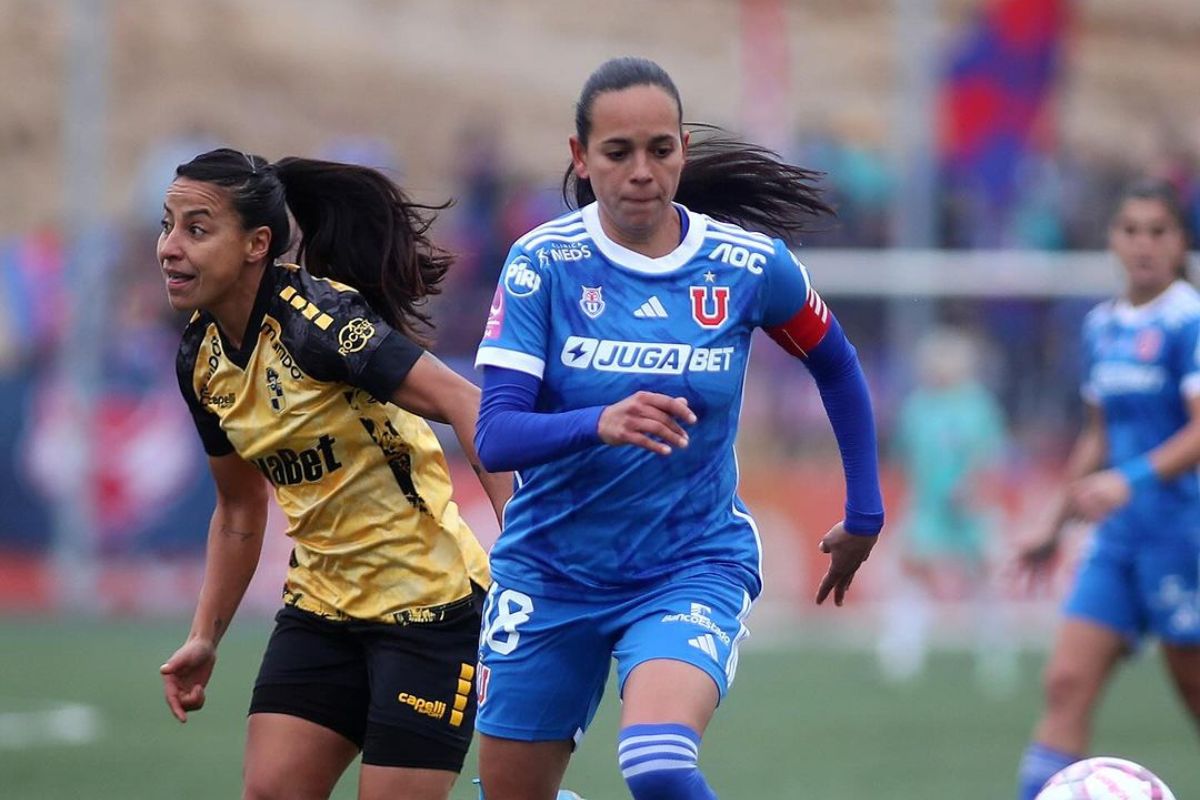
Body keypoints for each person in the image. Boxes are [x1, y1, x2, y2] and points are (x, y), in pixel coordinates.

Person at [471, 57, 884, 800]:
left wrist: (864, 513)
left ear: (683, 150)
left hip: (686, 565)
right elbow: (496, 435)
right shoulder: (543, 264)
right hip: (549, 571)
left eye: (660, 149)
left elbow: (838, 365)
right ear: (580, 157)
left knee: (658, 764)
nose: (641, 171)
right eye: (618, 152)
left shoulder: (748, 266)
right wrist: (599, 422)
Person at [156, 148, 510, 800]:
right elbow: (239, 510)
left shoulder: (320, 322)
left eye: (196, 229)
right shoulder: (200, 360)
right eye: (167, 225)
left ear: (257, 243)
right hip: (321, 610)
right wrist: (204, 636)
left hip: (430, 612)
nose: (169, 248)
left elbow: (467, 402)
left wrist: (524, 563)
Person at [1015, 179, 1200, 800]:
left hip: (1182, 534)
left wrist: (1133, 479)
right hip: (1118, 541)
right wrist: (1056, 519)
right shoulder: (1102, 327)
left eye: (1158, 231)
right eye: (1131, 230)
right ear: (1112, 240)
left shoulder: (1189, 320)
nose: (1144, 244)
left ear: (1180, 244)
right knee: (1066, 682)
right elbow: (1098, 435)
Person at [877, 326, 1015, 689]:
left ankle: (994, 652)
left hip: (972, 507)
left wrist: (974, 488)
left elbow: (990, 454)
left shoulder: (977, 404)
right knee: (914, 572)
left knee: (983, 575)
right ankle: (903, 650)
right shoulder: (918, 406)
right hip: (929, 507)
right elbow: (906, 458)